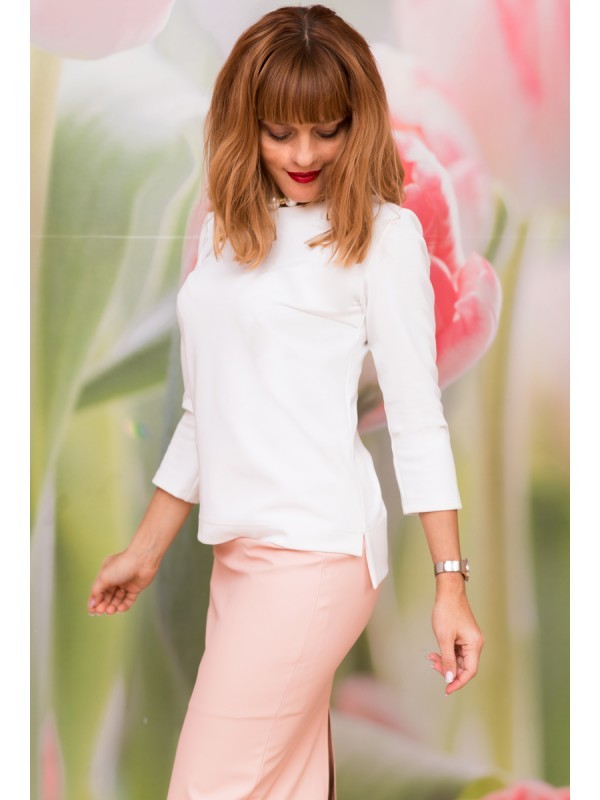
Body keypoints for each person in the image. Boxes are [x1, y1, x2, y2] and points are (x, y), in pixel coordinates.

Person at [87, 5, 484, 798]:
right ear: (247, 125)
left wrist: (450, 583)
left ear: (356, 125)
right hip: (238, 556)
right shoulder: (226, 236)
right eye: (279, 131)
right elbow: (203, 414)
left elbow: (417, 419)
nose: (304, 154)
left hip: (316, 558)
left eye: (326, 130)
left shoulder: (383, 237)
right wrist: (147, 549)